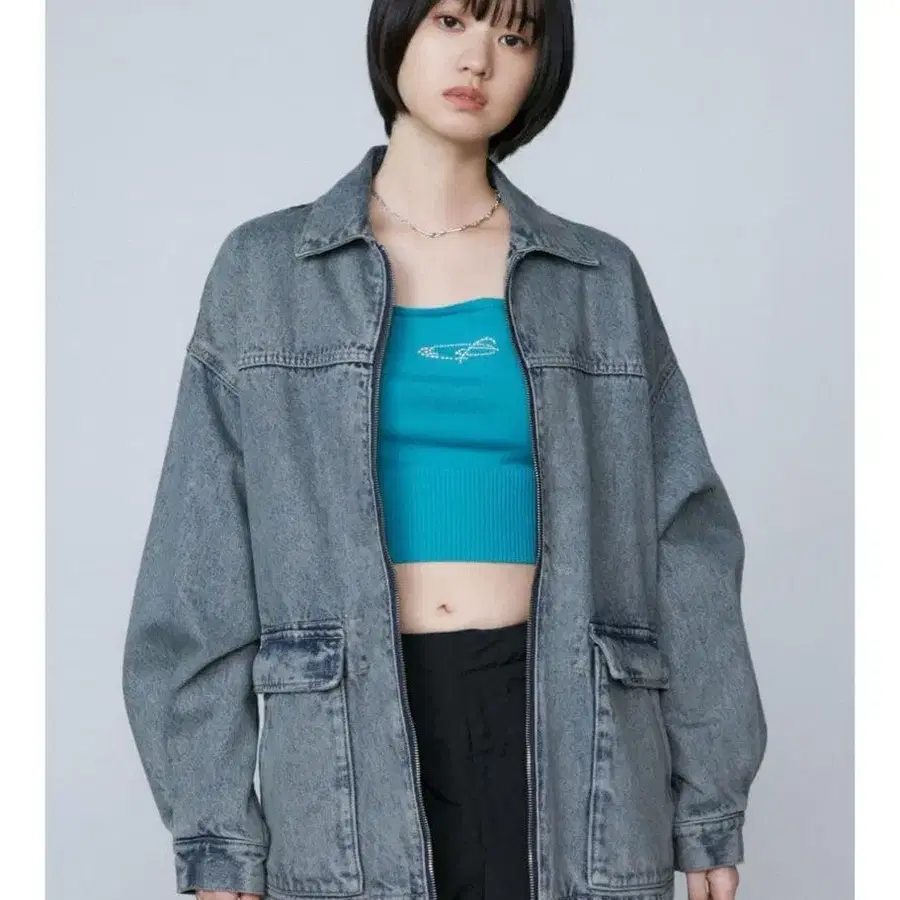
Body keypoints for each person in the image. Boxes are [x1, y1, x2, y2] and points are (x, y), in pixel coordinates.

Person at [121, 1, 768, 899]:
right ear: (397, 31)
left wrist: (708, 807)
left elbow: (686, 545)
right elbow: (198, 567)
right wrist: (214, 828)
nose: (479, 60)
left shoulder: (597, 280)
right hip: (349, 742)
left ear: (540, 70)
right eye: (453, 21)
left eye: (514, 37)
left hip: (574, 731)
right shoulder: (266, 272)